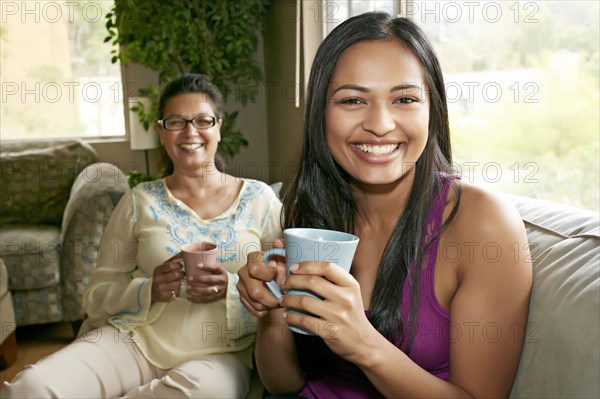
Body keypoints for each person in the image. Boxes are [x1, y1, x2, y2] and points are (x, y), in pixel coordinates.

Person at [236, 12, 532, 399]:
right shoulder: (311, 215)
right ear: (320, 115)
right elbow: (283, 383)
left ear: (433, 110)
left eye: (405, 98)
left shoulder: (484, 225)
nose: (380, 123)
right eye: (353, 100)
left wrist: (363, 344)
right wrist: (274, 312)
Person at [2, 73, 283, 398]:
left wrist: (231, 287)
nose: (190, 131)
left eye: (202, 120)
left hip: (222, 352)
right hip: (136, 339)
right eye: (176, 122)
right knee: (32, 387)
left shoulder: (260, 200)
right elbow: (95, 296)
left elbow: (280, 289)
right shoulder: (139, 201)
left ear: (219, 127)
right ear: (161, 132)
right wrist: (150, 288)